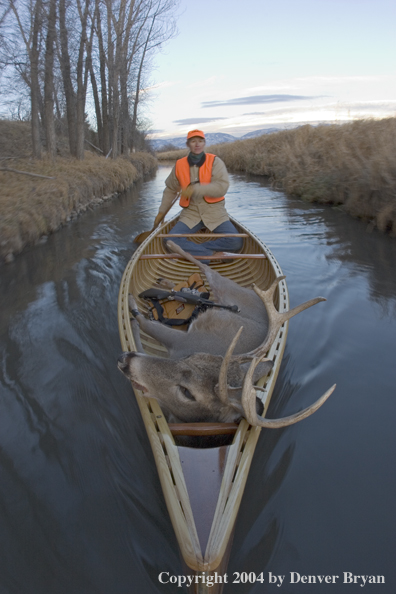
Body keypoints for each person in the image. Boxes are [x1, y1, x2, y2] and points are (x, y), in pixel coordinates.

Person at [153, 129, 243, 257]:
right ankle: (212, 255)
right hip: (191, 213)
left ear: (204, 143)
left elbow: (222, 187)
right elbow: (170, 189)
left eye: (200, 141)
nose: (197, 144)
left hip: (215, 212)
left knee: (236, 241)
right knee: (170, 240)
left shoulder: (215, 162)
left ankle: (193, 251)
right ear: (187, 144)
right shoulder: (179, 164)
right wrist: (161, 212)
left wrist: (196, 189)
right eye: (193, 141)